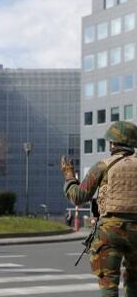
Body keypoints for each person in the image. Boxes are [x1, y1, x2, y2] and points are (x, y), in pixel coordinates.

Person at [60, 121, 137, 297]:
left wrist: (69, 176)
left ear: (112, 144)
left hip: (110, 232)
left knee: (109, 285)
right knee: (135, 283)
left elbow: (78, 196)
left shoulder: (103, 166)